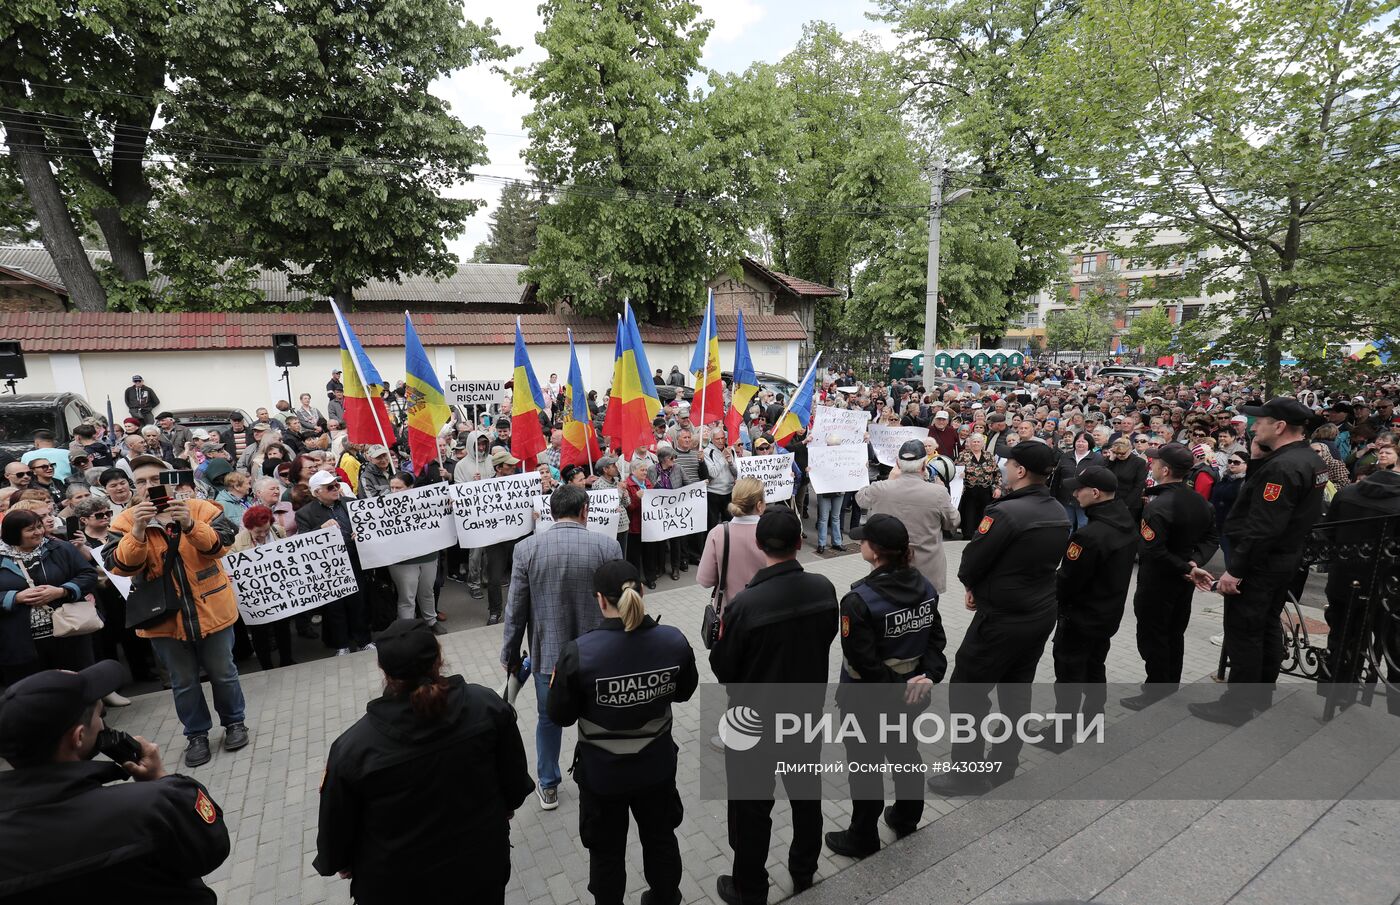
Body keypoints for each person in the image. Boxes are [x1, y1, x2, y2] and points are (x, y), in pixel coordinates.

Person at [315, 620, 534, 905]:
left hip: (396, 886)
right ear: (439, 660)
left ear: (384, 671)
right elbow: (515, 787)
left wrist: (343, 862)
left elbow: (335, 843)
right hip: (479, 871)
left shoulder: (354, 749)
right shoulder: (486, 706)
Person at [0, 661, 230, 902]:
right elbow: (211, 848)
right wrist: (160, 779)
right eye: (101, 715)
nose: (103, 724)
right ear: (78, 737)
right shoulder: (152, 806)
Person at [547, 560, 699, 905]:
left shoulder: (579, 652)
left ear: (600, 600)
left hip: (602, 778)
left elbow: (561, 716)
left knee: (606, 853)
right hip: (657, 769)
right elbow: (685, 691)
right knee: (660, 841)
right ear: (641, 591)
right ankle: (664, 898)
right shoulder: (673, 640)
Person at [710, 508, 838, 905]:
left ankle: (749, 887)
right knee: (806, 796)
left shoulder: (745, 604)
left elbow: (723, 665)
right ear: (800, 543)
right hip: (804, 716)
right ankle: (803, 870)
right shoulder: (823, 587)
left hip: (753, 723)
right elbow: (826, 636)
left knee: (750, 809)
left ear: (760, 545)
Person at [930, 441, 1068, 795]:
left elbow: (974, 559)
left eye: (1008, 463)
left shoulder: (1005, 513)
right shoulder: (1057, 510)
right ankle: (1005, 764)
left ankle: (967, 772)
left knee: (967, 692)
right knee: (1016, 691)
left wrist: (972, 584)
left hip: (1002, 617)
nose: (1004, 467)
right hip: (1038, 612)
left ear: (1021, 471)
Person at [103, 455, 250, 767]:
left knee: (224, 673)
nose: (147, 487)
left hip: (211, 607)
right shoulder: (125, 522)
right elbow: (119, 565)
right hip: (163, 619)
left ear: (170, 481)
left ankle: (235, 723)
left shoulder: (200, 508)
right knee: (183, 682)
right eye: (140, 482)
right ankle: (196, 734)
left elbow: (220, 546)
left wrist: (189, 524)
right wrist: (139, 531)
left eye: (154, 480)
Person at [1190, 397, 1327, 725]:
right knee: (1265, 626)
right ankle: (1260, 694)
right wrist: (1254, 459)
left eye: (1260, 421)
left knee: (1244, 632)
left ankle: (1237, 705)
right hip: (1282, 560)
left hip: (1261, 564)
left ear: (1279, 426)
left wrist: (1235, 570)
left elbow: (1264, 526)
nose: (1253, 427)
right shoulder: (1306, 459)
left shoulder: (1284, 466)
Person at [826, 513, 945, 859]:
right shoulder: (924, 585)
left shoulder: (858, 601)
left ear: (876, 553)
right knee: (905, 753)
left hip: (867, 700)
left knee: (865, 767)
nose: (859, 543)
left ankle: (862, 836)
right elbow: (936, 639)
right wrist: (929, 677)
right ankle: (906, 817)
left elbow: (864, 662)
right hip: (912, 695)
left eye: (863, 540)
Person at [500, 484, 624, 811]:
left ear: (552, 512)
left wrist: (510, 654)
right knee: (598, 716)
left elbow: (515, 610)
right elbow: (622, 603)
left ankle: (548, 785)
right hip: (599, 653)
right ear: (585, 511)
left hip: (548, 656)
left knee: (547, 719)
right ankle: (602, 775)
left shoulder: (526, 549)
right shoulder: (607, 546)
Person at [1044, 466, 1137, 742]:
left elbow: (1068, 580)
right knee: (1095, 668)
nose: (1075, 493)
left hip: (1081, 616)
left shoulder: (1090, 535)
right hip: (1107, 614)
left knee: (1069, 675)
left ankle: (1060, 735)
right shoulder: (1125, 522)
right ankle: (1092, 721)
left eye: (1079, 489)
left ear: (1095, 493)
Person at [1319, 462, 1400, 683]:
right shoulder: (1348, 493)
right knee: (1392, 641)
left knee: (1342, 636)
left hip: (1345, 578)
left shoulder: (1347, 493)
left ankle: (1335, 686)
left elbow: (1328, 533)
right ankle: (1393, 700)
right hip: (1387, 587)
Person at [0, 508, 100, 685]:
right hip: (21, 640)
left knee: (77, 680)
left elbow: (88, 575)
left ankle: (92, 711)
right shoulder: (2, 558)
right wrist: (14, 598)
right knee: (35, 689)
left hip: (68, 631)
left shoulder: (59, 547)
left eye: (39, 526)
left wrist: (62, 591)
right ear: (14, 533)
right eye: (31, 529)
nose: (38, 532)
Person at [854, 439, 960, 593]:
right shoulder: (938, 493)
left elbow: (860, 499)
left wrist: (890, 479)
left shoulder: (880, 488)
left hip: (887, 570)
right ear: (924, 465)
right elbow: (953, 522)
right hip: (926, 572)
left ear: (897, 463)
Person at [295, 471, 374, 655]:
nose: (335, 489)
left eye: (336, 485)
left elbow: (368, 524)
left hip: (354, 559)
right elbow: (302, 542)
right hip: (329, 567)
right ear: (316, 492)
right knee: (335, 607)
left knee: (359, 602)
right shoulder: (305, 514)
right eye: (330, 487)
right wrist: (320, 529)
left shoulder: (350, 503)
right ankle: (342, 644)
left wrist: (360, 534)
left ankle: (363, 640)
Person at [229, 505, 297, 670]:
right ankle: (266, 666)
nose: (262, 535)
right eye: (258, 532)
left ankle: (286, 660)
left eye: (265, 531)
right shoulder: (237, 541)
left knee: (283, 627)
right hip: (255, 596)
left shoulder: (279, 531)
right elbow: (230, 564)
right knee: (260, 632)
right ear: (248, 527)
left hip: (279, 590)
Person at [385, 472, 441, 633]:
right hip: (402, 561)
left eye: (399, 488)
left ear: (410, 488)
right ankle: (406, 628)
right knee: (407, 596)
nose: (394, 492)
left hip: (428, 556)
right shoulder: (382, 507)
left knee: (427, 591)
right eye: (392, 488)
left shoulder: (425, 502)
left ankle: (431, 621)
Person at [697, 476, 767, 595]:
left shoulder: (717, 533)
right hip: (765, 607)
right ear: (759, 505)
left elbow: (705, 580)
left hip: (729, 608)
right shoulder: (770, 530)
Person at [956, 432, 999, 540]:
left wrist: (997, 488)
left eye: (978, 441)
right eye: (973, 441)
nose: (976, 444)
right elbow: (956, 471)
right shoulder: (963, 455)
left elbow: (996, 473)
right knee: (968, 514)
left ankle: (984, 534)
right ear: (969, 443)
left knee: (985, 513)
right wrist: (960, 475)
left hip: (986, 490)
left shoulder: (989, 455)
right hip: (969, 490)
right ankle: (968, 535)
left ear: (982, 443)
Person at [624, 459, 659, 588]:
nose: (645, 473)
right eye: (642, 470)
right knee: (634, 556)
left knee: (650, 553)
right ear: (633, 471)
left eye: (646, 470)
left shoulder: (648, 483)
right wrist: (636, 498)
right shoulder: (627, 485)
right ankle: (636, 581)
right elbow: (628, 508)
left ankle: (650, 578)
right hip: (634, 527)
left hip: (648, 526)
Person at [815, 434, 847, 554]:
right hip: (825, 490)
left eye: (835, 446)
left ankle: (837, 542)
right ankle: (821, 543)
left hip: (838, 489)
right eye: (830, 445)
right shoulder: (821, 455)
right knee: (824, 517)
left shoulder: (844, 457)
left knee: (835, 516)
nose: (832, 448)